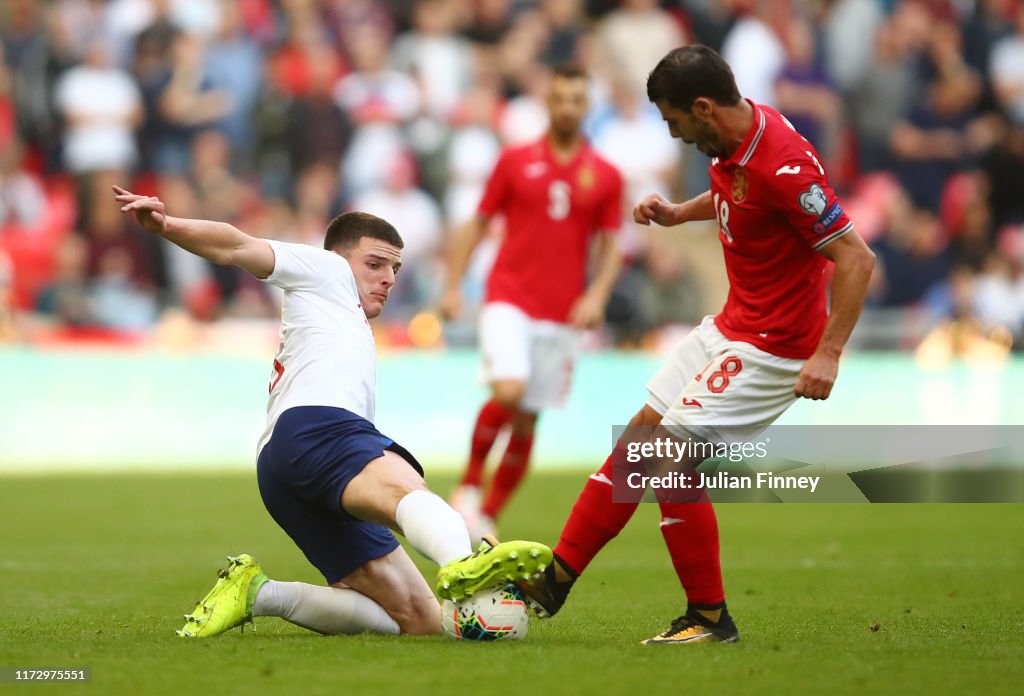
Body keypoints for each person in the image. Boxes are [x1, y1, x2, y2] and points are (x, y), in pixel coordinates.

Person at [517, 45, 876, 644]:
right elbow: (740, 195)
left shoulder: (786, 164)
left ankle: (709, 617)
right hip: (733, 323)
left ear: (703, 108)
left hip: (775, 346)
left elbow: (856, 258)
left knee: (668, 458)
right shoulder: (738, 139)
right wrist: (679, 213)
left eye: (673, 120)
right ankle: (556, 577)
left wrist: (830, 351)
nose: (673, 133)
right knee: (639, 438)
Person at [112, 185, 552, 638]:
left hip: (280, 468)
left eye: (396, 269)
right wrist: (167, 226)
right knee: (403, 489)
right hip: (319, 429)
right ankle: (462, 562)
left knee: (422, 623)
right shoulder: (326, 271)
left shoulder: (341, 314)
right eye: (376, 264)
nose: (389, 278)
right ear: (340, 258)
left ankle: (260, 594)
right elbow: (236, 244)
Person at [441, 65, 624, 542]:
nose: (567, 108)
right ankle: (466, 488)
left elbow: (610, 245)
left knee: (527, 417)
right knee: (509, 390)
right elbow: (478, 224)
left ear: (587, 107)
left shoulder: (605, 176)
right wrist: (453, 284)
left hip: (562, 311)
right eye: (559, 98)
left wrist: (596, 294)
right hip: (509, 295)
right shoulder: (514, 161)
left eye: (576, 100)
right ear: (547, 103)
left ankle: (489, 516)